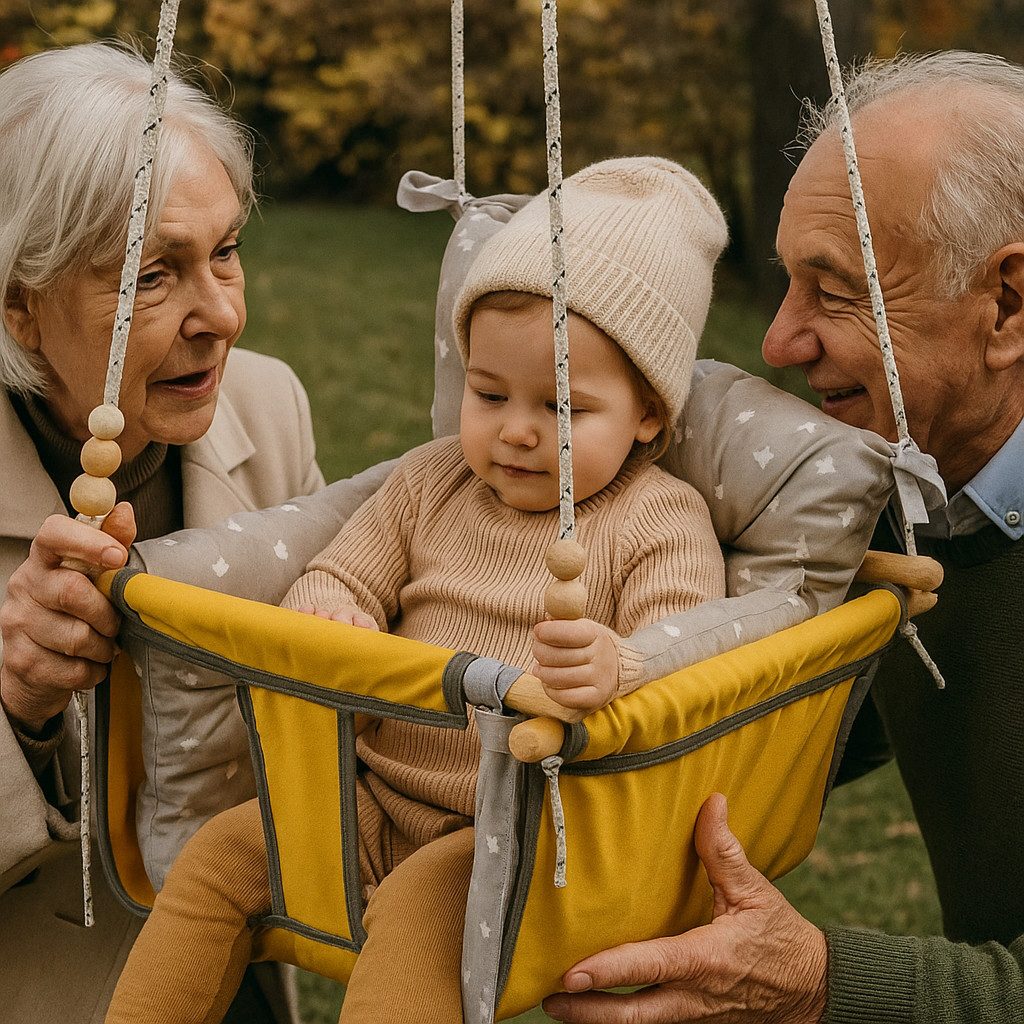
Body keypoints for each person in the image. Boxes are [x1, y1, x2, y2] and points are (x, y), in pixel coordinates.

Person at [102, 156, 729, 1024]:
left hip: (513, 835)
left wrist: (616, 667)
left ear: (649, 412)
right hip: (366, 796)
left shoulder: (658, 521)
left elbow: (686, 663)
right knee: (222, 855)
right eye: (487, 392)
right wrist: (336, 607)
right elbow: (340, 570)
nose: (514, 430)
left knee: (418, 918)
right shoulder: (431, 482)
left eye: (561, 408)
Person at [543, 51, 1024, 1024]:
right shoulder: (906, 487)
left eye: (834, 289)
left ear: (1007, 304)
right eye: (788, 281)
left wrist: (821, 983)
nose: (777, 342)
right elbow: (795, 730)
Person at [0, 42, 361, 1023]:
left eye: (227, 251)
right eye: (151, 276)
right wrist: (20, 703)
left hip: (228, 967)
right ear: (20, 307)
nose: (222, 315)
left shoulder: (268, 405)